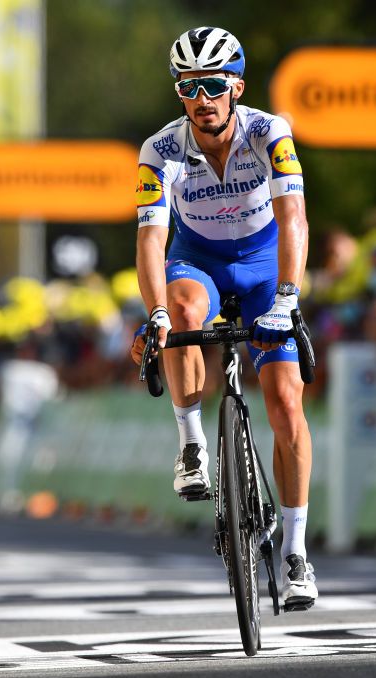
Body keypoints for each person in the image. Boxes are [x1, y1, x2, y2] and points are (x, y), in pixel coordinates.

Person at [130, 27, 316, 610]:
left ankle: (294, 550)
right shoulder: (159, 149)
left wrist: (287, 298)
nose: (201, 98)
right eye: (188, 87)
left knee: (285, 402)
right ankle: (190, 445)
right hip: (200, 260)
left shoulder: (269, 132)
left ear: (235, 85)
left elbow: (294, 222)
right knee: (181, 312)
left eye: (212, 85)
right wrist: (156, 313)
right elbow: (151, 241)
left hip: (264, 265)